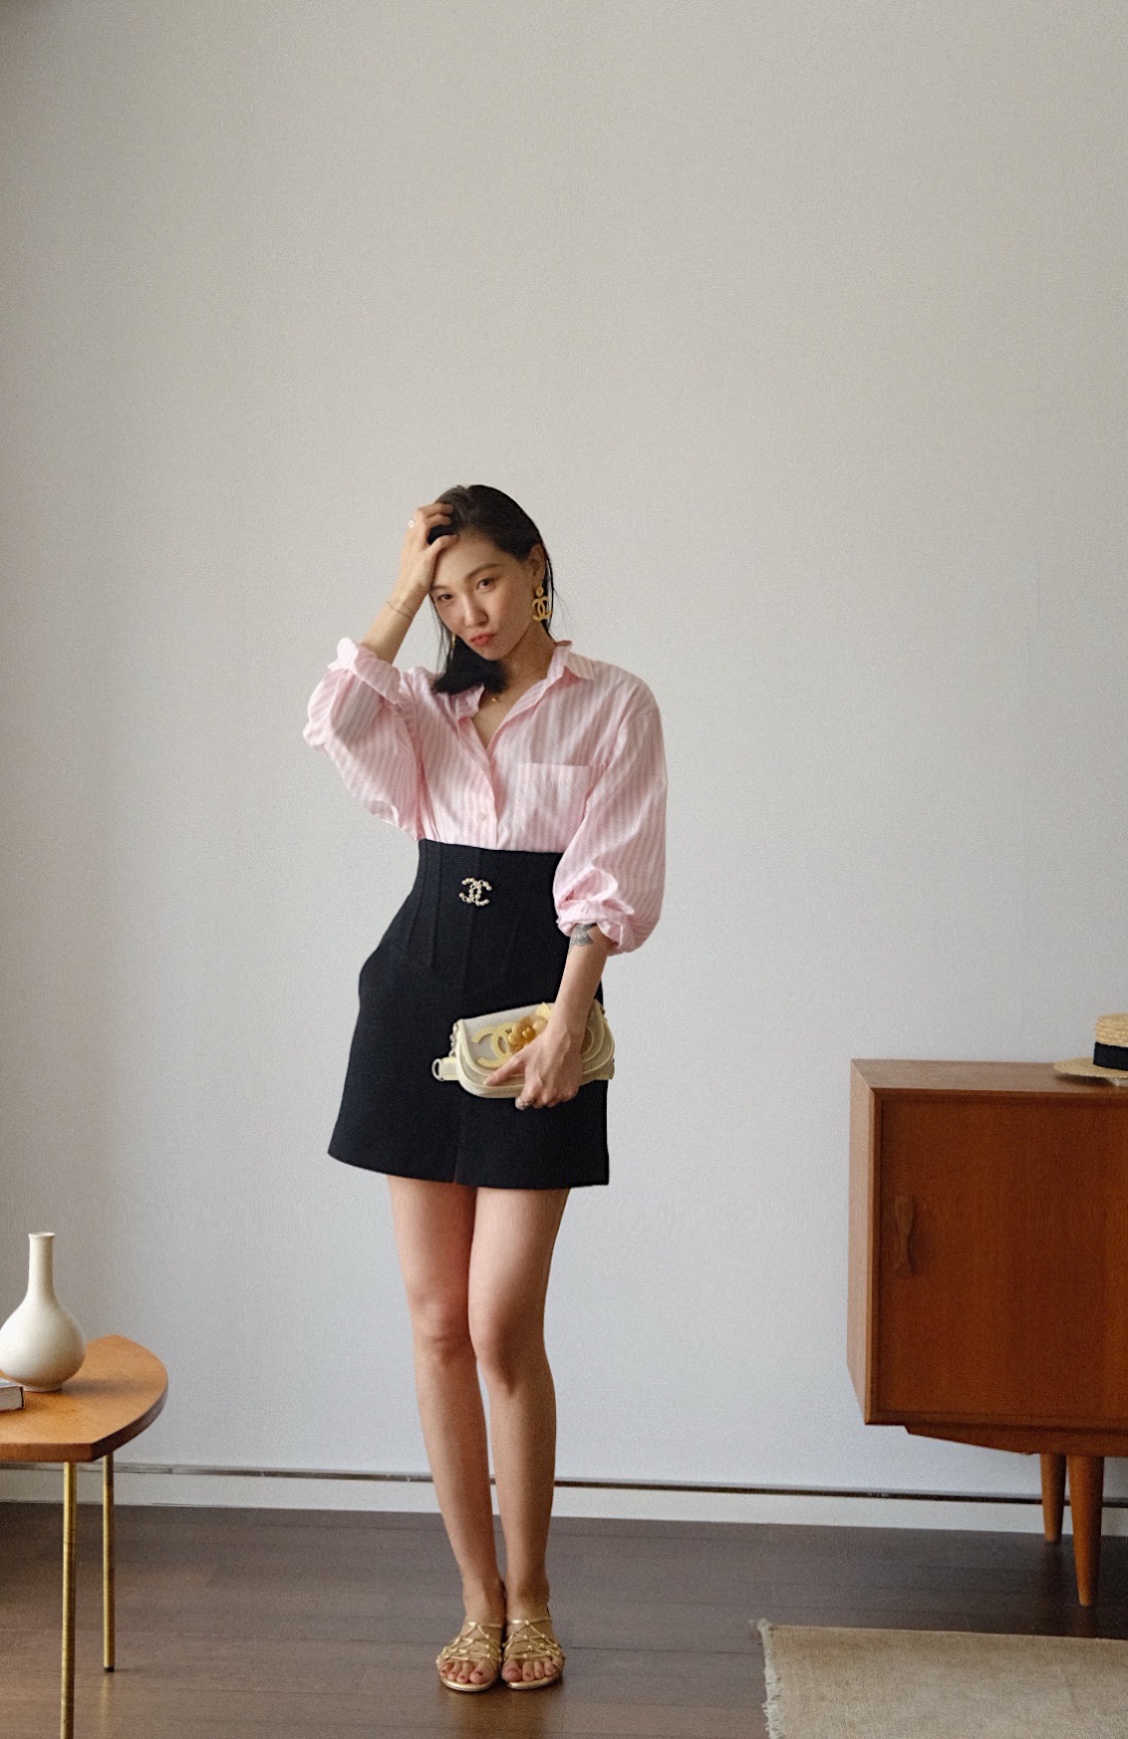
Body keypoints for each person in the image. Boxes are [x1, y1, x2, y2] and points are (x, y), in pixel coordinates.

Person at [304, 484, 667, 1692]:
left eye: (489, 582)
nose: (474, 613)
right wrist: (401, 590)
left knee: (502, 1320)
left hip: (533, 1014)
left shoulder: (615, 701)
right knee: (435, 1318)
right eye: (450, 596)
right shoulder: (424, 703)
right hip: (412, 1004)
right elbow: (333, 720)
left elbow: (612, 875)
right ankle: (476, 1597)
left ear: (537, 565)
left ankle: (534, 1587)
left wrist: (571, 1020)